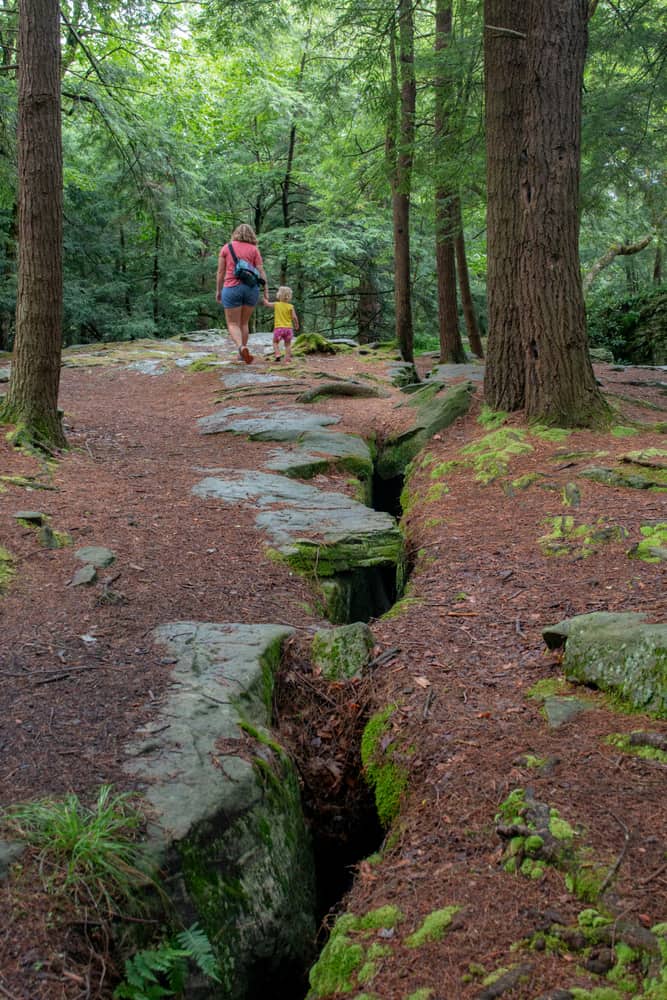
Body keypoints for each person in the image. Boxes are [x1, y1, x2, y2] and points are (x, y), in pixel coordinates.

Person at [216, 224, 268, 364]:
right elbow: (261, 271)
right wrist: (266, 291)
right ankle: (242, 353)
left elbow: (221, 272)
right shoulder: (254, 249)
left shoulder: (227, 248)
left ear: (235, 233)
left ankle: (241, 347)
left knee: (233, 323)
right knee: (244, 323)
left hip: (232, 287)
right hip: (251, 289)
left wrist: (218, 290)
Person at [263, 286, 299, 363]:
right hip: (288, 329)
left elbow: (267, 304)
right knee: (288, 345)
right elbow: (294, 317)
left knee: (275, 342)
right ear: (289, 297)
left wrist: (265, 298)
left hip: (278, 328)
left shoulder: (276, 304)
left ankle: (277, 354)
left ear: (279, 295)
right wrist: (296, 324)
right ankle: (287, 360)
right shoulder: (290, 306)